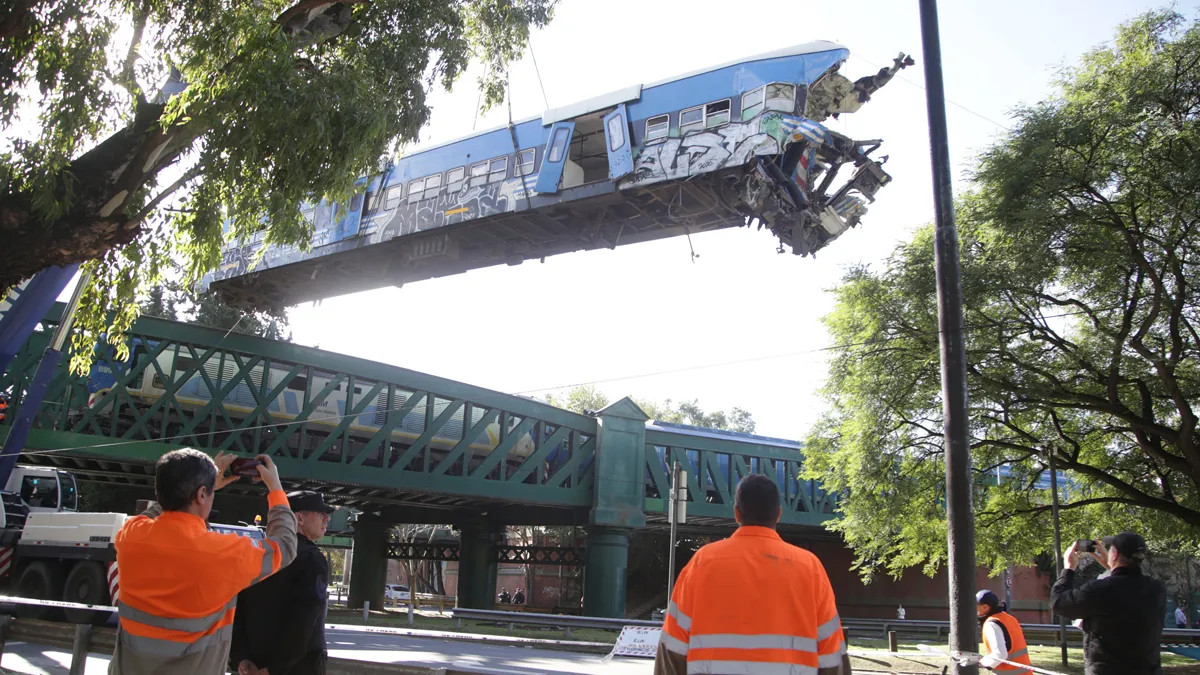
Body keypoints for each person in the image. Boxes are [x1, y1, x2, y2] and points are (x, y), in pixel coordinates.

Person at [110, 450, 297, 675]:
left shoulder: (129, 536)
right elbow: (284, 545)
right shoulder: (225, 553)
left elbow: (153, 515)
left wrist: (201, 486)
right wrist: (275, 488)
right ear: (201, 495)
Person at [654, 474, 850, 675]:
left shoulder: (703, 563)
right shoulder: (810, 567)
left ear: (737, 513)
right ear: (779, 514)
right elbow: (831, 655)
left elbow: (673, 648)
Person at [230, 490, 336, 675]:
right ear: (299, 519)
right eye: (320, 513)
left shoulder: (256, 552)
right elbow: (304, 621)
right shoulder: (312, 559)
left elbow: (237, 612)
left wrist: (242, 658)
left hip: (251, 665)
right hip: (295, 668)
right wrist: (273, 669)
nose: (326, 518)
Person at [1051, 532, 1166, 675]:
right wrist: (1112, 567)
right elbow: (1128, 590)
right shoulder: (1156, 589)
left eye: (1111, 549)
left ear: (1115, 554)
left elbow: (1059, 602)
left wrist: (1069, 568)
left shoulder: (1100, 589)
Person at [973, 590, 1033, 674]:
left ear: (986, 607)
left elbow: (1000, 654)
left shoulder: (991, 624)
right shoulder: (1008, 618)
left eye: (976, 605)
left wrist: (982, 662)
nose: (974, 608)